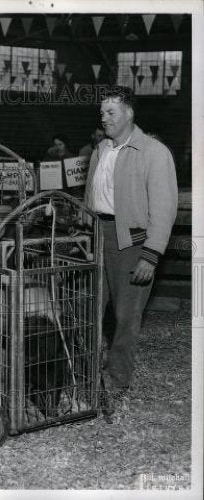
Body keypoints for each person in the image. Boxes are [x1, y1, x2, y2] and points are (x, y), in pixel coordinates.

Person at [84, 87, 178, 413]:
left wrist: (150, 255)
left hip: (133, 243)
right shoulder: (99, 150)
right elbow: (92, 197)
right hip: (97, 237)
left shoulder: (154, 152)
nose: (104, 118)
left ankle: (116, 381)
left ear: (128, 113)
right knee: (89, 312)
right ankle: (86, 376)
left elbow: (165, 208)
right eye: (101, 113)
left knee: (125, 317)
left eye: (110, 112)